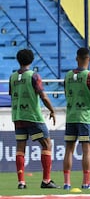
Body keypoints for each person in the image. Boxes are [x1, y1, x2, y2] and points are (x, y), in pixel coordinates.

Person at [9, 49, 59, 189]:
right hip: (32, 117)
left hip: (18, 116)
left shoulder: (12, 77)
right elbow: (43, 96)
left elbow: (12, 94)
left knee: (20, 148)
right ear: (31, 60)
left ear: (19, 60)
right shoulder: (34, 76)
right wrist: (52, 110)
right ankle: (46, 181)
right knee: (47, 145)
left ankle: (21, 182)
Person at [63, 47, 90, 190]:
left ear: (76, 58)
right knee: (87, 150)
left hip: (71, 116)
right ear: (89, 59)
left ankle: (67, 183)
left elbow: (66, 93)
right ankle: (85, 183)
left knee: (69, 150)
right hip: (85, 117)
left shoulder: (67, 75)